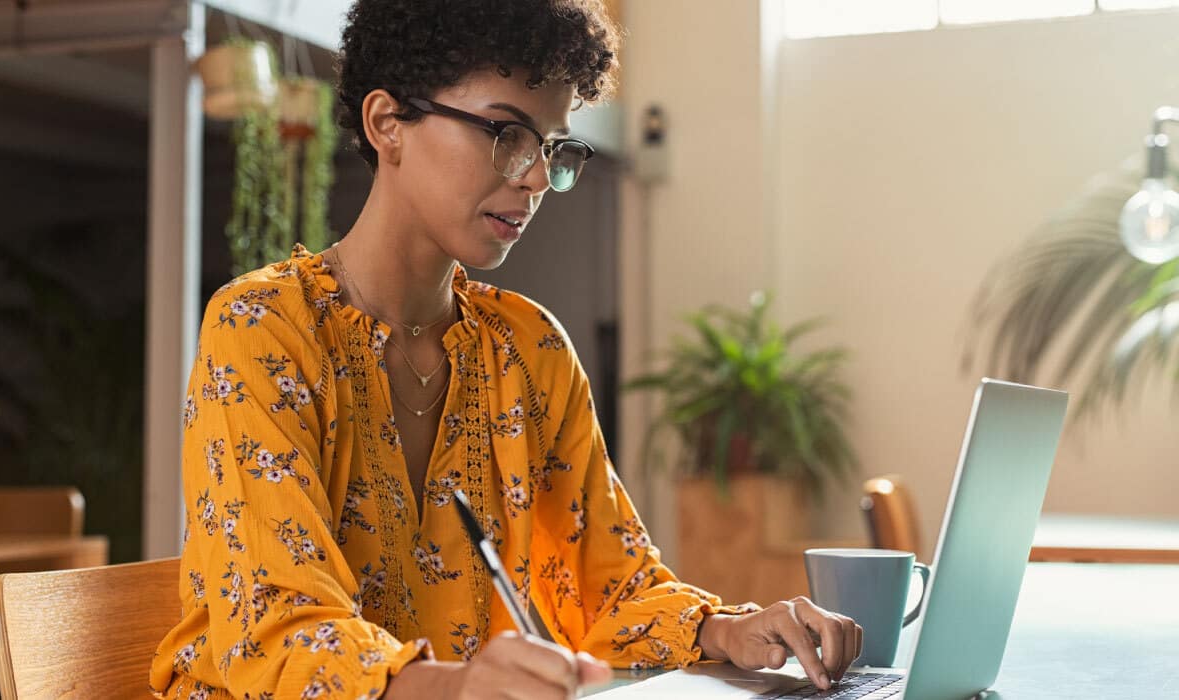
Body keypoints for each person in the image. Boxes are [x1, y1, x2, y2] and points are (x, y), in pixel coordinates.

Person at [150, 1, 863, 698]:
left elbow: (612, 583)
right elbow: (276, 624)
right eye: (506, 132)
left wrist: (729, 629)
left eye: (553, 148)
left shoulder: (530, 349)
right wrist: (457, 686)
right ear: (386, 123)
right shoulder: (264, 329)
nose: (533, 178)